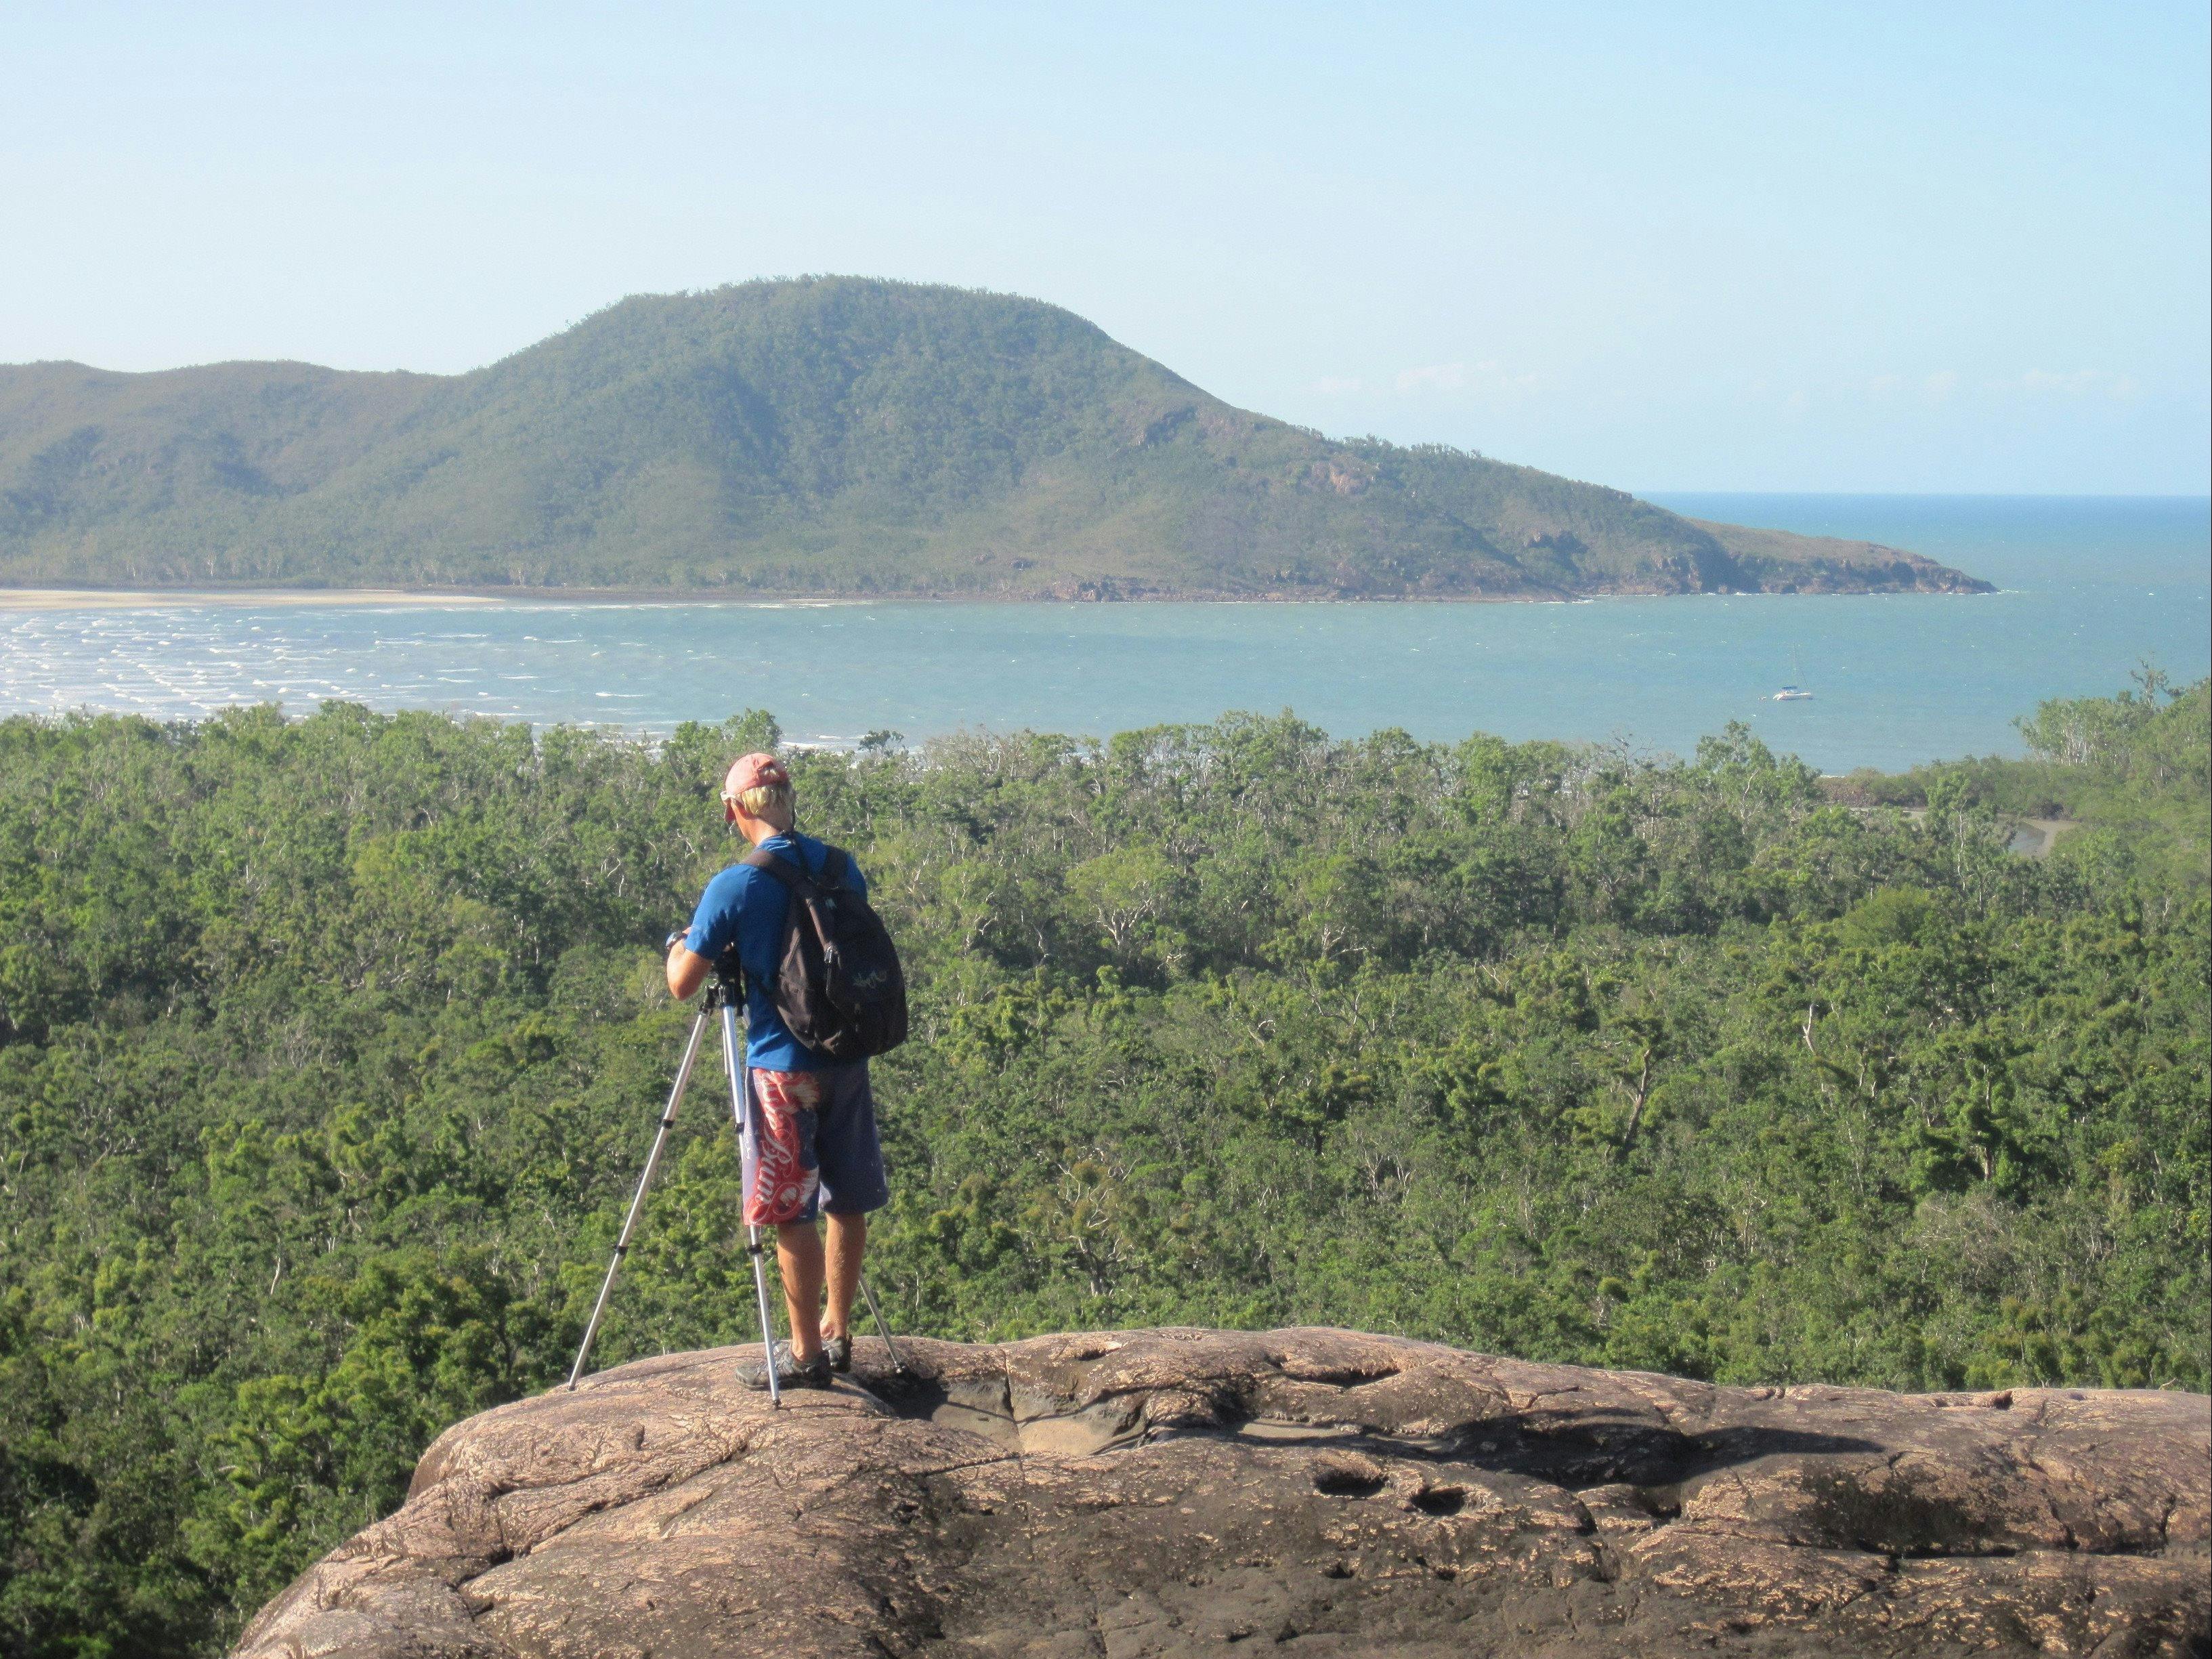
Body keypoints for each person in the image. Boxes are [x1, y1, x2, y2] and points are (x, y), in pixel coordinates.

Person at [665, 752, 889, 1390]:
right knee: (846, 1197)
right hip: (846, 1055)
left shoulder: (734, 886)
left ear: (737, 810)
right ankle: (838, 1329)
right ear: (790, 799)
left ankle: (804, 1356)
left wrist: (681, 946)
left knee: (790, 1209)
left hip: (780, 1067)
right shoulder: (842, 867)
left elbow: (684, 984)